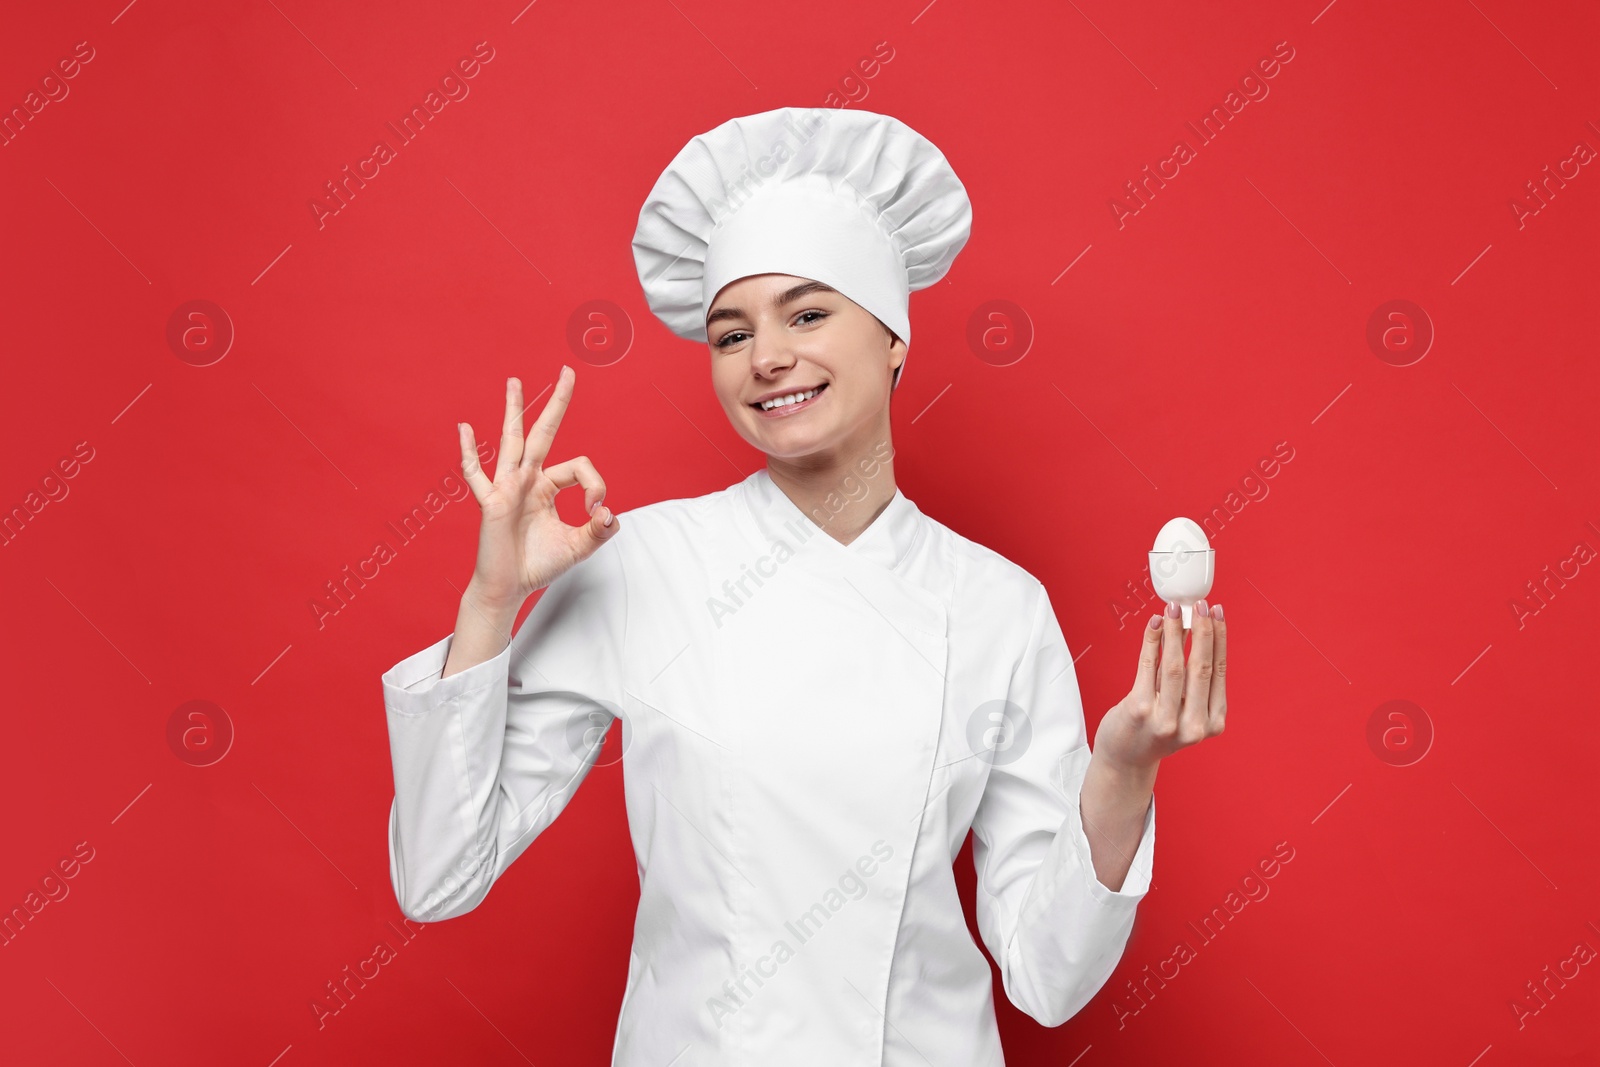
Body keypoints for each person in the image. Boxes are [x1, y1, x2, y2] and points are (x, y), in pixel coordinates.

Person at [381, 106, 1228, 1066]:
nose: (767, 357)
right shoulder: (643, 562)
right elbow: (438, 876)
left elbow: (1047, 977)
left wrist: (1120, 773)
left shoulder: (998, 605)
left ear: (896, 334)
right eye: (730, 333)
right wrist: (492, 600)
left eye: (809, 312)